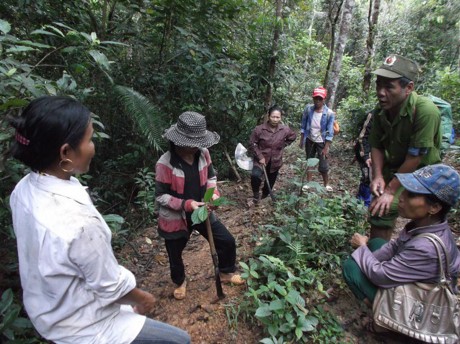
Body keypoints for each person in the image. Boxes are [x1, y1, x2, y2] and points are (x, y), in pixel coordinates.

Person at [8, 96, 190, 344]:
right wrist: (142, 299)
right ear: (65, 152)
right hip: (89, 326)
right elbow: (110, 286)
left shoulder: (23, 190)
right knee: (180, 341)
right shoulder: (78, 222)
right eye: (89, 139)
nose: (93, 146)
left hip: (49, 313)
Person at [343, 164, 460, 333]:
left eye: (411, 195)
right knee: (376, 244)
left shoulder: (425, 248)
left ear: (434, 207)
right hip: (415, 281)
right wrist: (367, 254)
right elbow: (393, 246)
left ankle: (387, 324)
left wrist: (361, 248)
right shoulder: (426, 225)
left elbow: (381, 276)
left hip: (422, 301)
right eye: (404, 191)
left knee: (351, 268)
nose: (402, 197)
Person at [155, 111, 244, 300]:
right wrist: (187, 204)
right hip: (176, 216)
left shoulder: (203, 154)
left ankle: (226, 272)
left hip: (202, 210)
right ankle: (180, 281)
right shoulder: (165, 163)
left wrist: (213, 195)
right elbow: (161, 196)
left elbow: (211, 177)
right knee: (174, 253)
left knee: (226, 241)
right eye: (193, 143)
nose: (197, 146)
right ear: (180, 141)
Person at [368, 54, 441, 240]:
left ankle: (420, 253)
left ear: (408, 88)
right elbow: (376, 145)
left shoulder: (425, 111)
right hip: (393, 167)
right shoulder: (380, 112)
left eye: (389, 87)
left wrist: (391, 191)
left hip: (422, 173)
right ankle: (377, 258)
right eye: (378, 85)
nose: (380, 92)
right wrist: (377, 176)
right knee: (379, 209)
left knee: (418, 214)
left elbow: (415, 158)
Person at [248, 105, 296, 205]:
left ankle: (265, 195)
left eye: (277, 117)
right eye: (273, 117)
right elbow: (252, 143)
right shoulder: (259, 129)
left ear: (280, 118)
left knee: (270, 180)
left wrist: (284, 144)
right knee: (255, 176)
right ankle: (256, 195)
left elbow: (293, 136)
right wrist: (260, 156)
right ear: (268, 116)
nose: (275, 119)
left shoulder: (285, 130)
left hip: (276, 160)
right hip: (260, 160)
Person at [299, 86, 336, 191]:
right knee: (310, 161)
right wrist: (302, 140)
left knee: (323, 165)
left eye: (320, 99)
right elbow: (303, 125)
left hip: (322, 142)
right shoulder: (308, 109)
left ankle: (326, 184)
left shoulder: (329, 113)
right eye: (316, 98)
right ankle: (308, 183)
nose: (318, 101)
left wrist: (326, 147)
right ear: (313, 98)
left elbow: (330, 131)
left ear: (324, 99)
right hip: (310, 140)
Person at [354, 110, 374, 207]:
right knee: (367, 177)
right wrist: (366, 156)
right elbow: (362, 137)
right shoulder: (373, 115)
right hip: (367, 151)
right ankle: (362, 205)